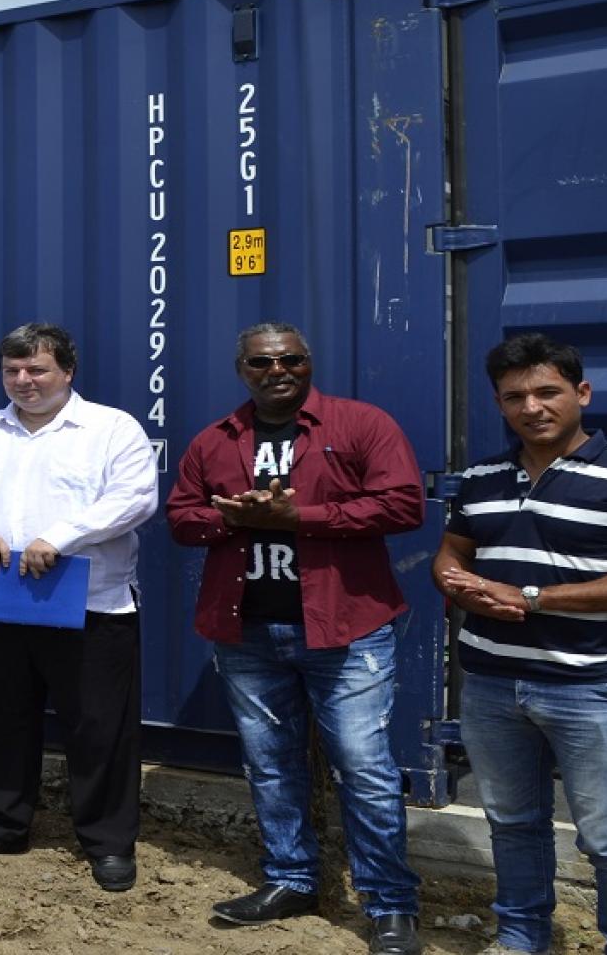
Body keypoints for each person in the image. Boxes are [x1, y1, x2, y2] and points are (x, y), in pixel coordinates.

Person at [165, 321, 423, 955]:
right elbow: (180, 517)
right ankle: (291, 879)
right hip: (247, 632)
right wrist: (235, 517)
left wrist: (296, 517)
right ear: (242, 370)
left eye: (291, 360)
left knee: (364, 769)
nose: (277, 371)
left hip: (346, 629)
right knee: (271, 766)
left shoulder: (360, 425)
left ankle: (389, 904)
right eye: (261, 363)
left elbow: (403, 504)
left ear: (309, 362)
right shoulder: (216, 440)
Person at [434, 333, 607, 955]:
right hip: (492, 686)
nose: (532, 407)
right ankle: (521, 939)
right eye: (514, 396)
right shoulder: (480, 478)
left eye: (547, 391)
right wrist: (456, 584)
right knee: (513, 826)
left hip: (594, 688)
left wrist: (531, 598)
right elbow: (451, 557)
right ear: (500, 405)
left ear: (581, 393)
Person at [0, 323, 157, 891]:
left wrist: (63, 535)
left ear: (67, 371)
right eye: (12, 371)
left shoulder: (110, 429)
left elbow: (135, 497)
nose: (23, 382)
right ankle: (2, 823)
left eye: (37, 370)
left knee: (100, 729)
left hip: (92, 606)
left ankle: (107, 843)